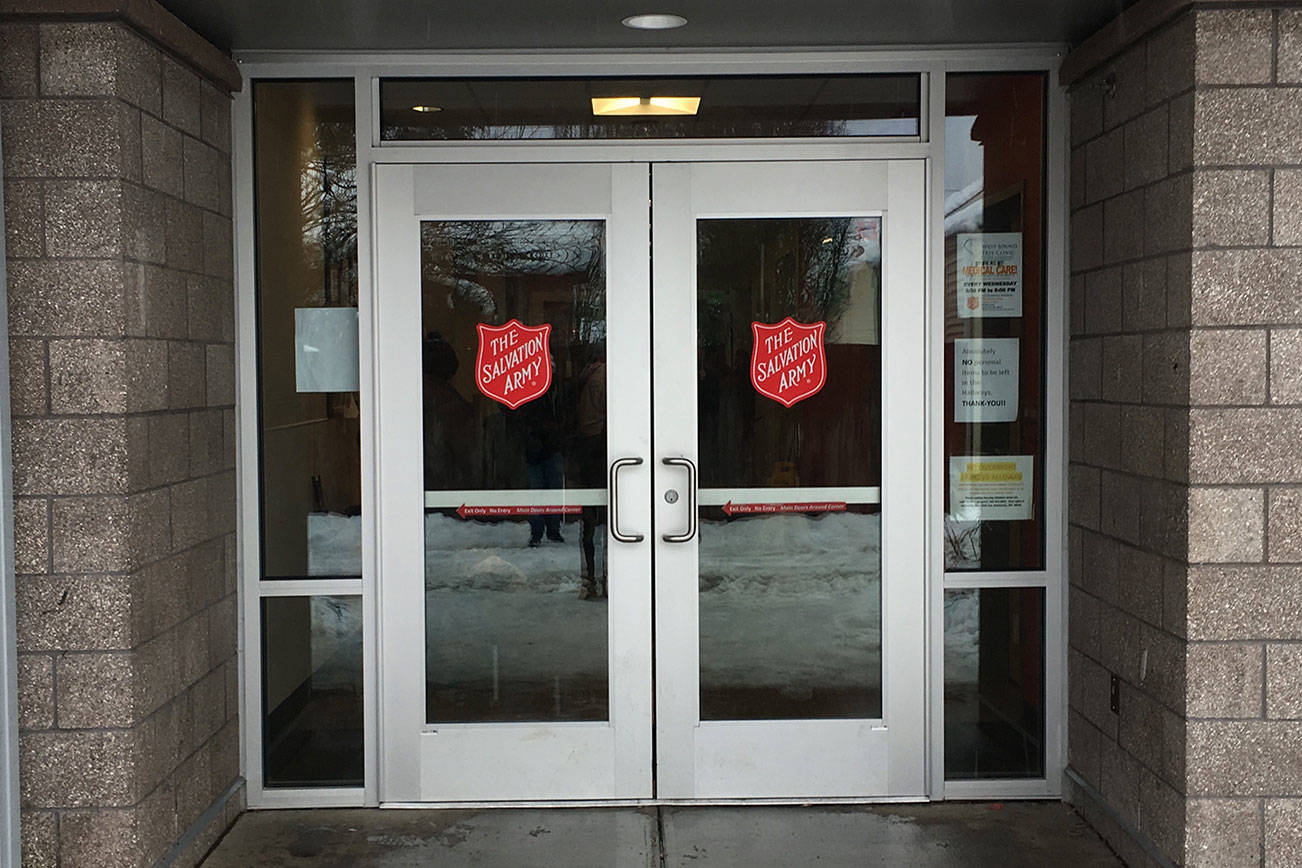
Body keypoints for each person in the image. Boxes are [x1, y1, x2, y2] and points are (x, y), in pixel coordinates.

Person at [574, 354, 606, 599]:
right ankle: (604, 577)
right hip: (602, 445)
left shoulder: (585, 377)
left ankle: (590, 579)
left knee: (591, 517)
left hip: (586, 444)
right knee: (608, 516)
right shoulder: (605, 378)